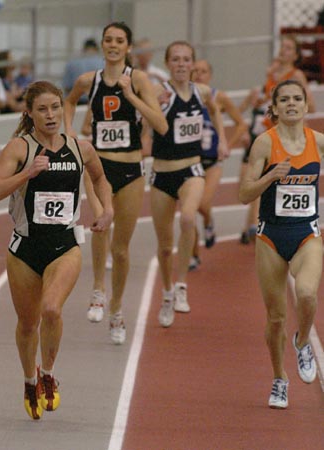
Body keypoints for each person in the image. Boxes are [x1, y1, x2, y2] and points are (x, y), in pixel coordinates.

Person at [0, 81, 113, 420]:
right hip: (25, 249)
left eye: (56, 107)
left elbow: (100, 178)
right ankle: (29, 380)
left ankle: (48, 373)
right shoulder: (19, 148)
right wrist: (28, 173)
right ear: (29, 113)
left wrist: (106, 208)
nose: (51, 114)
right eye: (42, 109)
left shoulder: (80, 148)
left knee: (52, 309)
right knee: (28, 324)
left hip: (65, 246)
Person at [64, 22, 168, 344]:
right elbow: (68, 101)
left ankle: (117, 308)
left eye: (119, 41)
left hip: (131, 169)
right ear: (102, 45)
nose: (113, 45)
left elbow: (161, 125)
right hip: (99, 167)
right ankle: (97, 289)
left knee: (121, 249)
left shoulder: (138, 79)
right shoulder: (88, 81)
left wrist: (130, 96)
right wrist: (68, 136)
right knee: (99, 226)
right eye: (108, 39)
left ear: (128, 47)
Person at [239, 80, 322, 409]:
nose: (291, 104)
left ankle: (302, 341)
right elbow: (244, 194)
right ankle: (279, 378)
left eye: (297, 99)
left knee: (306, 293)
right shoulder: (264, 144)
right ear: (273, 108)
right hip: (270, 237)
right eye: (284, 99)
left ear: (306, 105)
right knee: (275, 318)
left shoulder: (317, 142)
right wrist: (270, 177)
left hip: (306, 235)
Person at [148, 41, 228, 328]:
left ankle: (182, 285)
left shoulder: (202, 91)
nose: (181, 64)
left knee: (188, 218)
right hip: (161, 173)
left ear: (192, 64)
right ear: (168, 63)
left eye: (186, 59)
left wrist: (222, 141)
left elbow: (216, 111)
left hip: (191, 169)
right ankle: (167, 292)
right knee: (164, 245)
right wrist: (152, 110)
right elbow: (143, 119)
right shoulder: (158, 92)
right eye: (176, 59)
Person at [239, 35, 316, 244]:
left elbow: (312, 105)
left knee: (287, 181)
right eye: (282, 47)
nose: (284, 51)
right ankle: (253, 226)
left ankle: (289, 226)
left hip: (291, 137)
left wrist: (292, 105)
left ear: (296, 54)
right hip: (270, 134)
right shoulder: (272, 73)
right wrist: (262, 99)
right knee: (260, 179)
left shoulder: (296, 75)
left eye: (289, 48)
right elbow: (266, 104)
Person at [188, 59, 248, 269]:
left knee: (202, 205)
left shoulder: (218, 97)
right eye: (194, 71)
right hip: (188, 162)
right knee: (189, 211)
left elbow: (241, 124)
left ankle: (209, 222)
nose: (198, 75)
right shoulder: (184, 96)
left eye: (203, 71)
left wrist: (227, 145)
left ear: (210, 75)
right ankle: (193, 255)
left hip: (212, 162)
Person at [62, 38, 104, 103]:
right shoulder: (103, 63)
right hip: (97, 101)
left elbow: (67, 87)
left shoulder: (72, 63)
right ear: (97, 49)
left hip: (77, 101)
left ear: (84, 48)